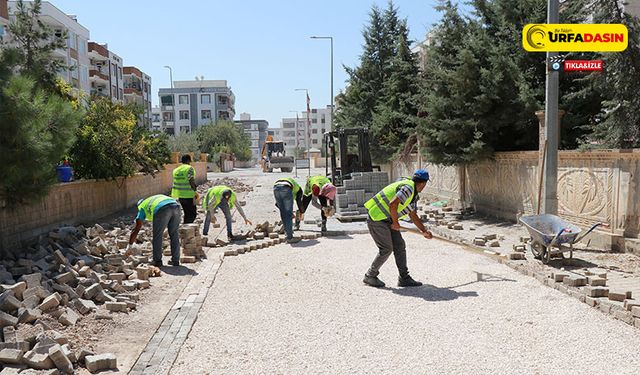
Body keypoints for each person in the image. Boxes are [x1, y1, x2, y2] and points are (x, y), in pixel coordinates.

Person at [362, 169, 433, 288]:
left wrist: (424, 231)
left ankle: (404, 278)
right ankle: (370, 275)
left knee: (399, 246)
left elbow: (413, 215)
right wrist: (395, 222)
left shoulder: (412, 193)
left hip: (386, 219)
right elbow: (393, 204)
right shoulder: (408, 189)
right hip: (377, 218)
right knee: (386, 248)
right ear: (423, 183)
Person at [128, 194, 181, 267]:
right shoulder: (152, 200)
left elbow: (137, 228)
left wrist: (130, 245)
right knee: (174, 233)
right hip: (176, 206)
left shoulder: (142, 207)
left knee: (158, 235)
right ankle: (176, 260)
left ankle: (157, 261)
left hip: (162, 208)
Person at [273, 177, 304, 243]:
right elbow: (299, 202)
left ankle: (287, 234)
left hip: (276, 187)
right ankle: (290, 238)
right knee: (288, 214)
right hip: (286, 187)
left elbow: (277, 204)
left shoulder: (293, 189)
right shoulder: (299, 190)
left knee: (283, 213)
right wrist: (301, 213)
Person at [171, 154, 198, 224]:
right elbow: (191, 180)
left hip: (180, 195)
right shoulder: (189, 168)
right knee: (192, 214)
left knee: (187, 213)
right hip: (189, 195)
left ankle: (185, 229)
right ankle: (187, 229)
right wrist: (195, 190)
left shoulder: (176, 170)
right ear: (189, 160)